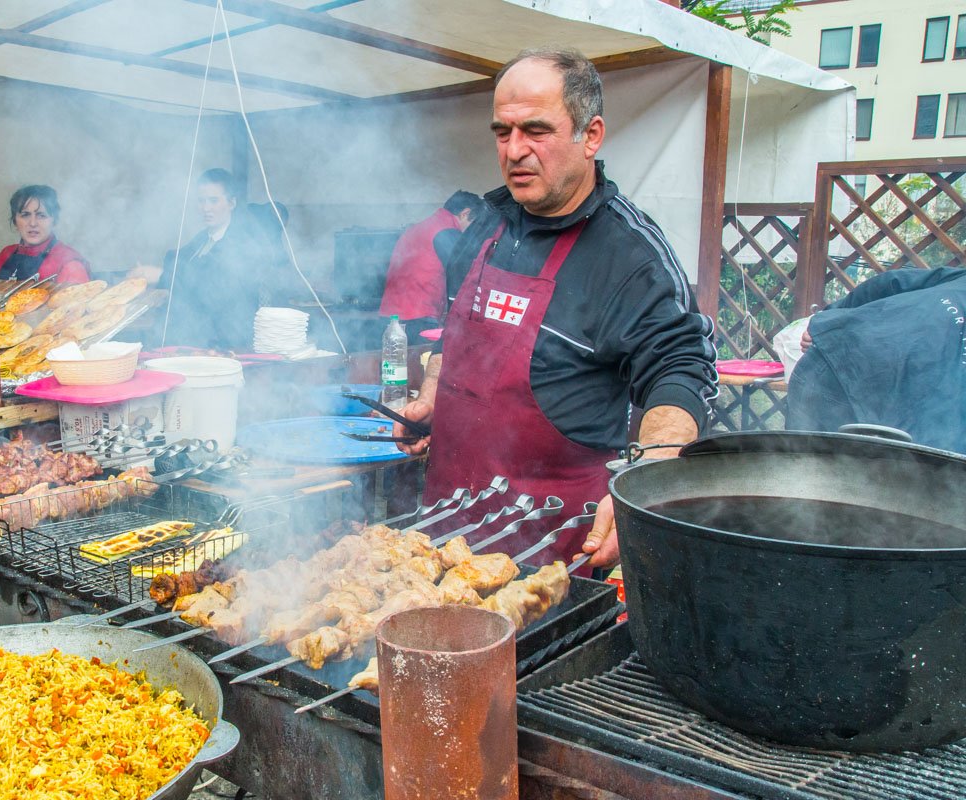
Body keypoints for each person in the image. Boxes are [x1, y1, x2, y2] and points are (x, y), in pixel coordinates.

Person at [394, 47, 718, 569]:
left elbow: (683, 369)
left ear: (590, 136)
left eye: (536, 131)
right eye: (503, 132)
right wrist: (432, 400)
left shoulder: (630, 256)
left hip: (553, 552)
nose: (514, 150)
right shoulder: (485, 225)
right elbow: (454, 341)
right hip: (443, 533)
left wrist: (649, 478)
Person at [788, 266, 966, 453]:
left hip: (832, 359)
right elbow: (893, 280)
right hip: (837, 363)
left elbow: (891, 280)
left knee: (802, 469)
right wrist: (828, 321)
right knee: (810, 470)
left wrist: (829, 318)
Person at [140, 169, 276, 351]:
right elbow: (179, 260)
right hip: (194, 340)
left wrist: (162, 275)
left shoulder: (243, 241)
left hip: (227, 344)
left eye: (213, 201)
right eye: (201, 201)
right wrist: (160, 284)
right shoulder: (202, 239)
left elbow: (212, 282)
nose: (206, 208)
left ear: (231, 203)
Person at [378, 191, 483, 323]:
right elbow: (463, 273)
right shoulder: (446, 231)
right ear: (465, 214)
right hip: (417, 316)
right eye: (473, 224)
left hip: (390, 314)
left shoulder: (418, 227)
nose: (471, 231)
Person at [0, 185, 90, 285]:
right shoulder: (6, 254)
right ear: (15, 221)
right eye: (25, 215)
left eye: (41, 215)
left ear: (54, 221)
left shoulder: (70, 264)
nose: (33, 223)